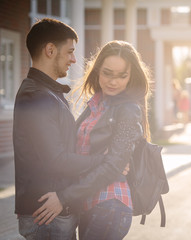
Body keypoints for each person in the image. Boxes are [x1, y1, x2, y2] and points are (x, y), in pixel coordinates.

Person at [33, 40, 151, 240]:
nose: (114, 81)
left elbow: (113, 167)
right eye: (107, 73)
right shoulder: (95, 105)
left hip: (110, 205)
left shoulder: (128, 110)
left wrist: (63, 198)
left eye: (122, 75)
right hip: (88, 205)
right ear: (97, 71)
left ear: (131, 77)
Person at [13, 18, 109, 239]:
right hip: (47, 216)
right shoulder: (36, 95)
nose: (74, 59)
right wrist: (103, 160)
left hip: (52, 214)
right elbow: (56, 159)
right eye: (69, 52)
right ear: (50, 50)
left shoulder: (48, 93)